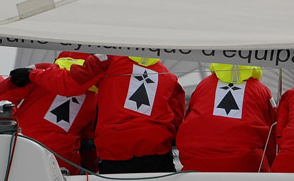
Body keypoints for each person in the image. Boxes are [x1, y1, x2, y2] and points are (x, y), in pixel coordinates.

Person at [15, 55, 185, 174]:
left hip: (114, 149)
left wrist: (32, 74)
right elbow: (177, 117)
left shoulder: (108, 59)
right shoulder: (168, 76)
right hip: (155, 150)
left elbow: (69, 83)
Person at [0, 52, 99, 173]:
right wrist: (92, 170)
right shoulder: (97, 92)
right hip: (60, 162)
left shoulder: (41, 70)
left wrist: (9, 128)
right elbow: (90, 141)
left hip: (19, 147)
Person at [175, 63, 278, 172]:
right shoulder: (262, 90)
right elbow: (271, 135)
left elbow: (188, 117)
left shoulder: (203, 84)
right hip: (244, 164)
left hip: (195, 160)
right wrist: (271, 166)